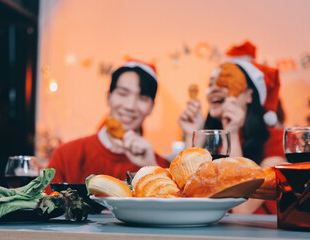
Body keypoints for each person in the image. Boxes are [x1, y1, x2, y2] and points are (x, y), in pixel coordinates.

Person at [179, 41, 287, 214]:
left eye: (224, 83)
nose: (213, 89)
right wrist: (194, 136)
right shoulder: (214, 144)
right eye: (211, 84)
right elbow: (186, 197)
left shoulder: (276, 141)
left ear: (249, 96)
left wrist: (233, 134)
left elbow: (241, 210)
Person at [47, 60, 169, 184]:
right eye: (122, 94)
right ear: (108, 97)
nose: (130, 106)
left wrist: (151, 168)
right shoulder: (67, 155)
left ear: (152, 107)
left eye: (142, 98)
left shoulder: (161, 167)